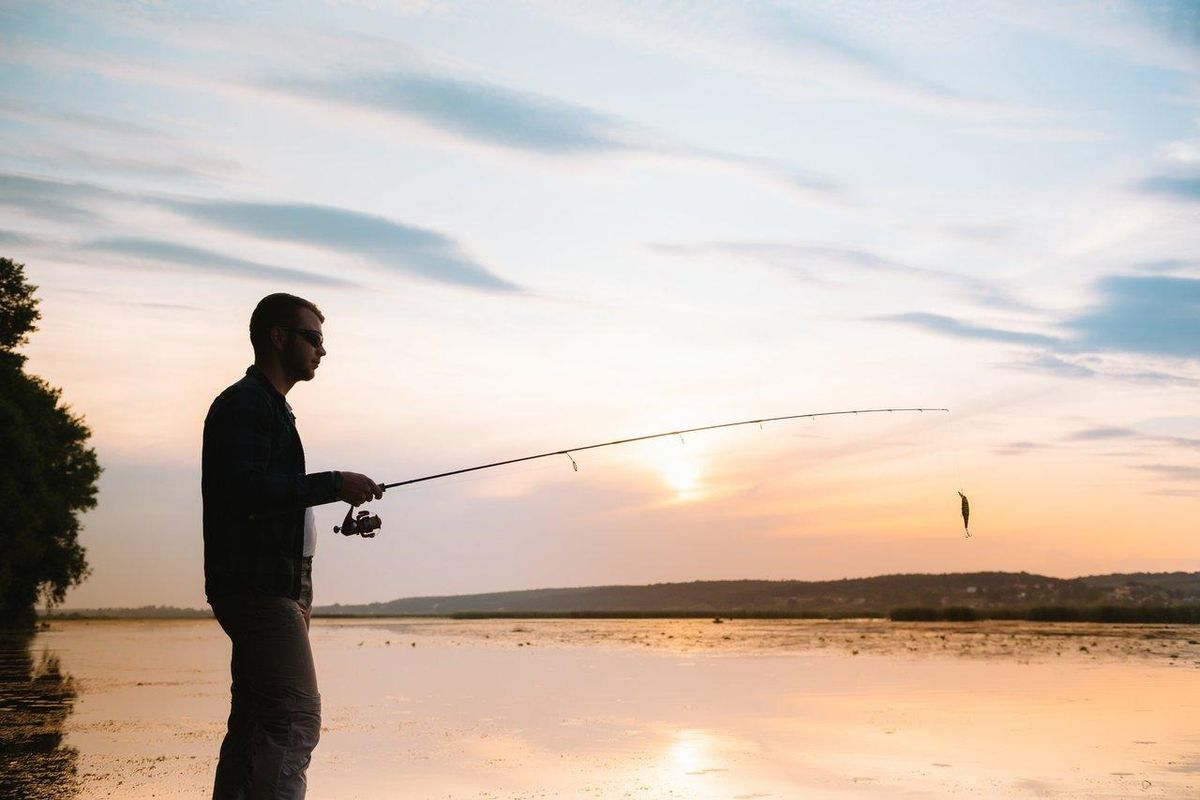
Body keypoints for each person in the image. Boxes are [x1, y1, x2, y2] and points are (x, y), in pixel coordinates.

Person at [202, 293, 382, 799]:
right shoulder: (245, 404)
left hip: (279, 585)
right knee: (295, 721)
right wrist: (332, 484)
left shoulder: (271, 407)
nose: (321, 351)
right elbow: (246, 493)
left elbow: (268, 496)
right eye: (313, 338)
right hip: (260, 589)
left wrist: (334, 496)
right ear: (278, 337)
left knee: (256, 724)